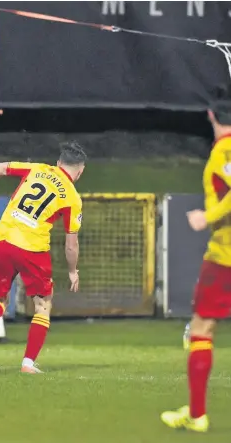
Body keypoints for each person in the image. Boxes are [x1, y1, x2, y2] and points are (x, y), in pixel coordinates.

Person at [0, 142, 86, 373]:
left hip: (4, 238)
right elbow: (71, 243)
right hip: (33, 248)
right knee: (43, 304)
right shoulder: (72, 198)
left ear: (58, 163)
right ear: (80, 171)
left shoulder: (38, 169)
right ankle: (28, 363)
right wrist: (73, 271)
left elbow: (0, 168)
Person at [161, 89, 231, 433]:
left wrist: (209, 215)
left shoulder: (224, 149)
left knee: (201, 329)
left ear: (210, 116)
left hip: (225, 256)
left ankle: (197, 414)